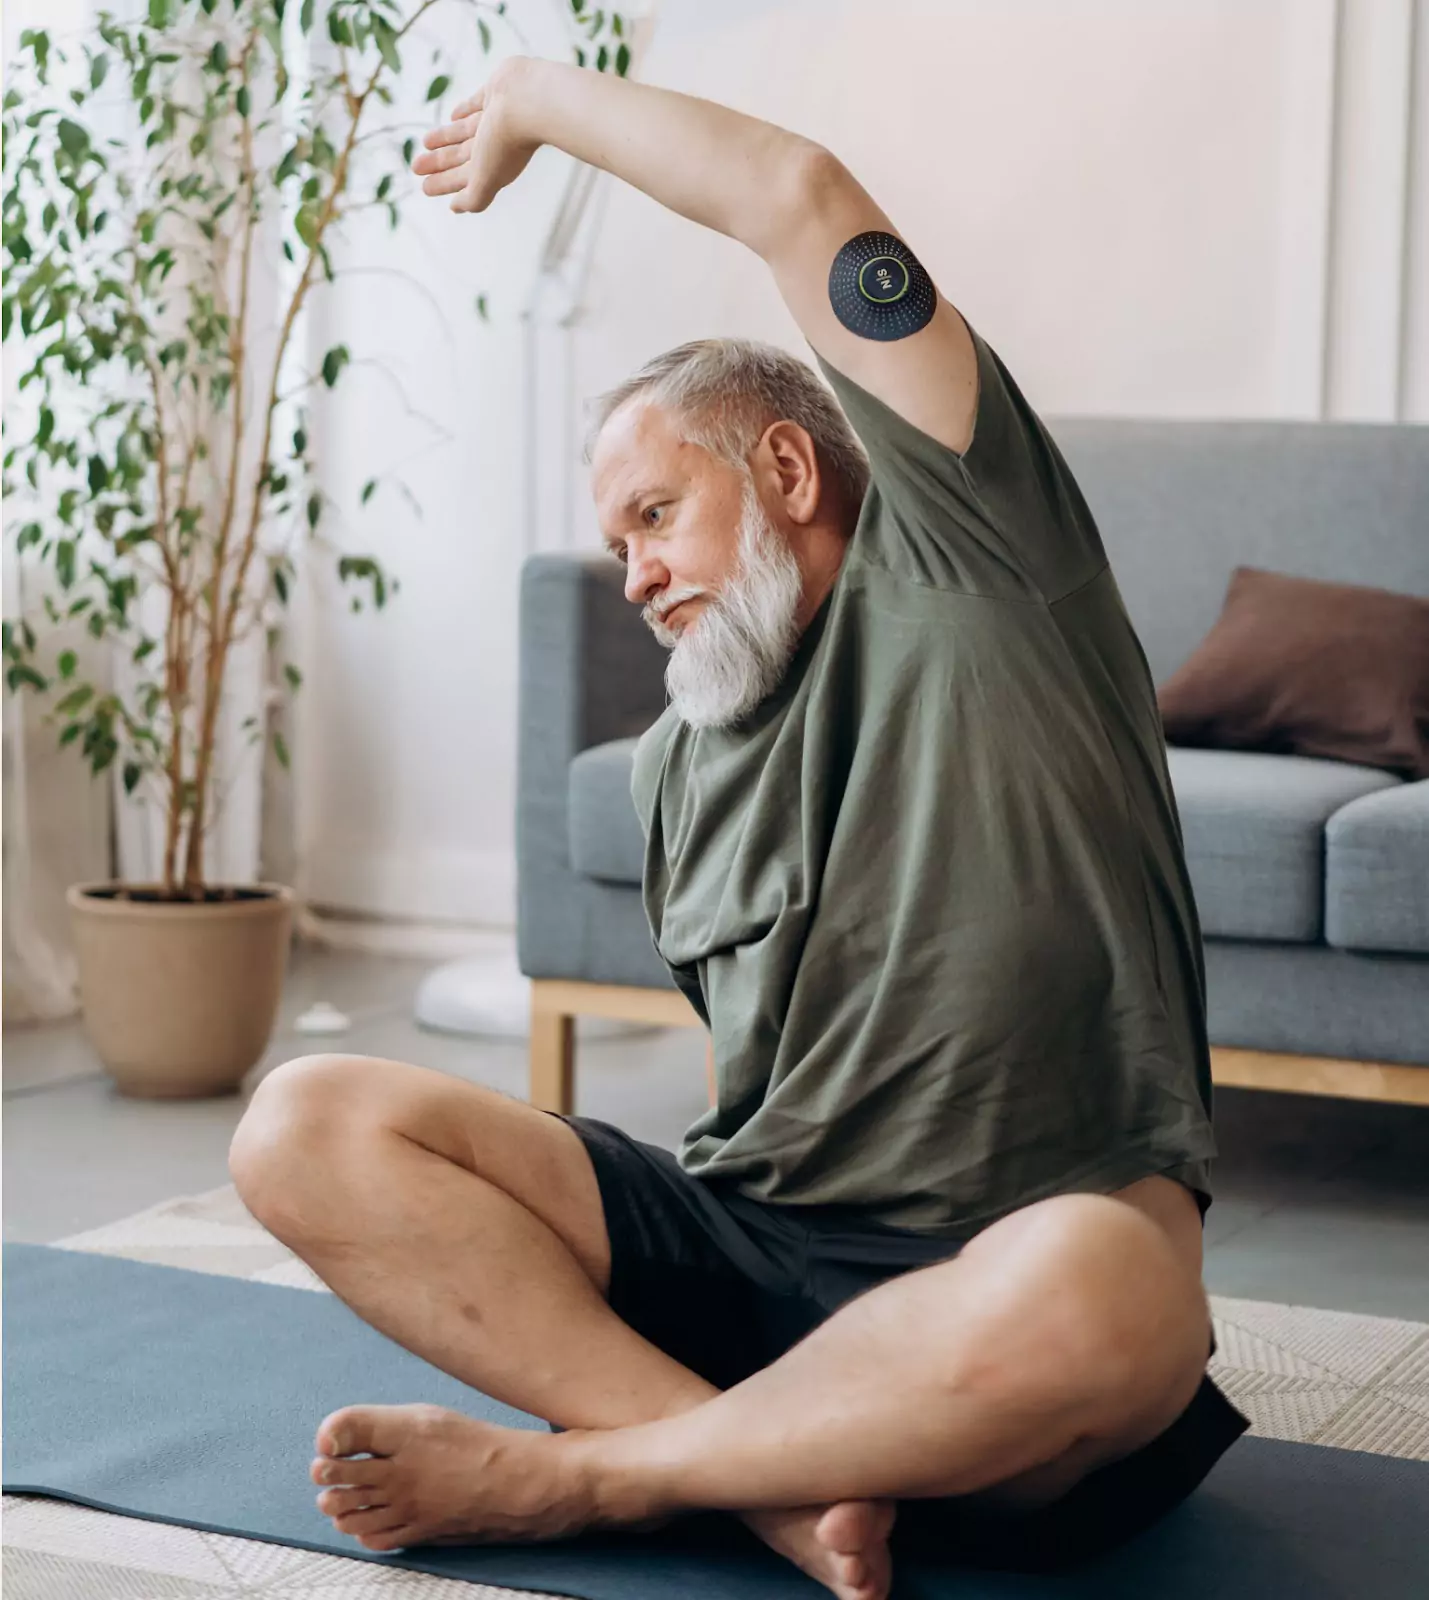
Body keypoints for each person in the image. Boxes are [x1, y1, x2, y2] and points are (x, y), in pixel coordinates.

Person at [228, 55, 1246, 1600]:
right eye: (611, 539)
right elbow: (746, 1089)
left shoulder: (979, 558)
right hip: (760, 1259)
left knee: (1120, 1292)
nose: (629, 573)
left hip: (1004, 1274)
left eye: (654, 514)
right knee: (300, 1121)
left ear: (783, 468)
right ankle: (764, 1472)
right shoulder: (671, 770)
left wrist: (532, 103)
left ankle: (595, 1477)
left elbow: (797, 197)